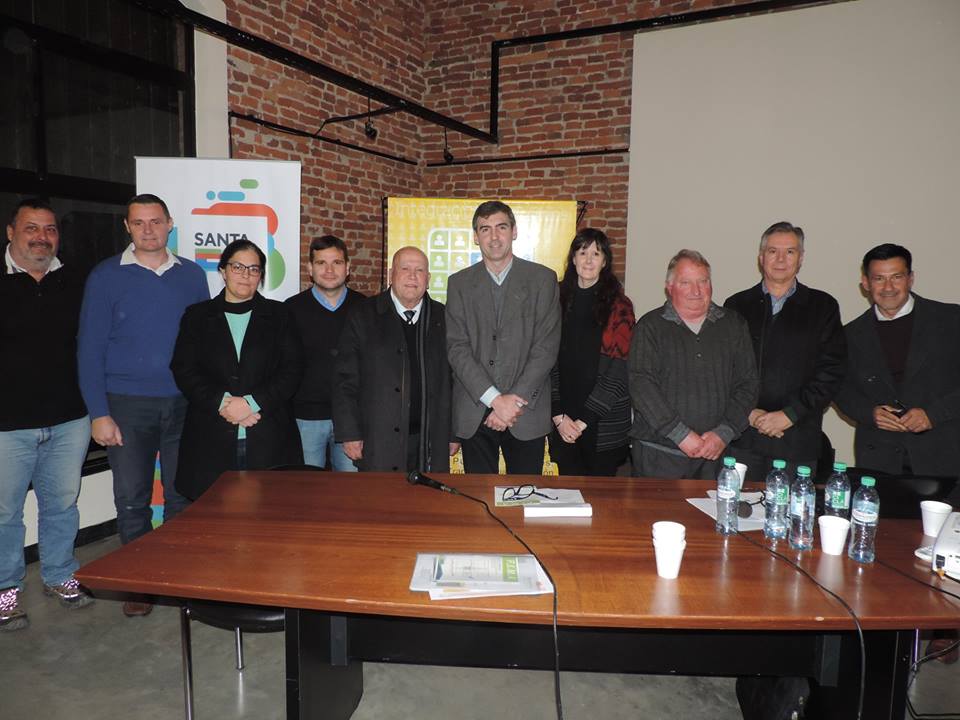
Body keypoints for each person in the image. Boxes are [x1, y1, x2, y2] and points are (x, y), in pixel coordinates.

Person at [77, 193, 208, 617]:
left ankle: (173, 575)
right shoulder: (105, 276)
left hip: (183, 405)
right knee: (132, 497)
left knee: (181, 495)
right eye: (139, 222)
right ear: (127, 227)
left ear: (170, 224)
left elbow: (202, 345)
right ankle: (138, 582)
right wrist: (99, 413)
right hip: (127, 405)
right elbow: (89, 349)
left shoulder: (192, 276)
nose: (148, 229)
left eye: (155, 221)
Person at [1, 199, 93, 631]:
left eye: (50, 229)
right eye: (31, 228)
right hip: (7, 425)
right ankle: (6, 588)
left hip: (69, 418)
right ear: (10, 232)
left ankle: (59, 574)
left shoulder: (75, 281)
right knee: (4, 513)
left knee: (61, 505)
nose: (42, 237)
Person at [171, 239, 304, 500]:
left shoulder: (281, 315)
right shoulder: (197, 316)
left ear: (261, 276)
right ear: (223, 271)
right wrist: (223, 403)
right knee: (215, 514)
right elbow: (184, 369)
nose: (246, 275)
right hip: (210, 437)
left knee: (269, 512)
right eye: (238, 267)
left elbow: (292, 369)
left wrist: (251, 404)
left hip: (268, 436)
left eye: (254, 269)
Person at [724, 222, 846, 481]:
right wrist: (748, 412)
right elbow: (722, 370)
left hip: (797, 440)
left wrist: (789, 414)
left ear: (800, 258)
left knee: (791, 508)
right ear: (761, 257)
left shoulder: (823, 306)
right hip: (743, 437)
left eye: (789, 252)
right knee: (736, 505)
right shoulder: (736, 305)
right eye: (772, 251)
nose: (780, 259)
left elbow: (831, 372)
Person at [446, 201, 561, 475]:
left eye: (501, 227)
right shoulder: (459, 283)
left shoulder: (543, 279)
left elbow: (545, 348)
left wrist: (512, 402)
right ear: (476, 236)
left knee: (525, 495)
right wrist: (495, 400)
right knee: (477, 498)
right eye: (485, 229)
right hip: (476, 409)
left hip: (525, 412)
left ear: (514, 231)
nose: (494, 237)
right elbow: (457, 348)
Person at [629, 249, 758, 479]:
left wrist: (724, 432)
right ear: (669, 287)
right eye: (686, 282)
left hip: (716, 456)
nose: (696, 291)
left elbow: (748, 384)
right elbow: (641, 385)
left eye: (703, 281)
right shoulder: (650, 327)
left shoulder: (734, 325)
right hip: (658, 456)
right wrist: (679, 434)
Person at [835, 243, 960, 478]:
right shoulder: (849, 335)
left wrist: (934, 414)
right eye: (879, 278)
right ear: (865, 283)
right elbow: (839, 389)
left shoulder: (951, 320)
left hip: (946, 454)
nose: (888, 287)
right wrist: (869, 413)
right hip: (879, 459)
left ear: (911, 279)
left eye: (897, 277)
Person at [333, 247, 456, 472]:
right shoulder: (363, 315)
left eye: (419, 270)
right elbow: (345, 379)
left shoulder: (445, 318)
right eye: (405, 269)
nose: (412, 276)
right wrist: (349, 433)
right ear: (391, 274)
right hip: (377, 439)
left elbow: (455, 379)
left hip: (431, 439)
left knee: (430, 494)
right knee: (383, 495)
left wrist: (453, 433)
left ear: (428, 279)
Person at [549, 229, 635, 476]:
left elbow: (619, 370)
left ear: (605, 261)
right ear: (573, 258)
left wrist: (584, 420)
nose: (588, 260)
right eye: (582, 252)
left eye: (596, 254)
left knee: (601, 496)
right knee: (565, 494)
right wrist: (558, 416)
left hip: (602, 423)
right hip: (562, 419)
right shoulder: (556, 300)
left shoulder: (620, 306)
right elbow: (546, 359)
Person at [285, 235, 364, 471]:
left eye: (336, 262)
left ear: (348, 268)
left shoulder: (366, 309)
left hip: (352, 421)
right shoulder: (290, 310)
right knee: (307, 488)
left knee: (352, 489)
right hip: (305, 419)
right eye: (321, 263)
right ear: (310, 268)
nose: (329, 270)